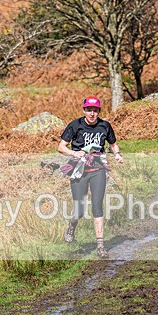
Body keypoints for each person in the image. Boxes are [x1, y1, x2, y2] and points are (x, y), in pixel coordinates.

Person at [57, 96, 124, 258]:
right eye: (89, 110)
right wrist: (74, 153)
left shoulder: (105, 125)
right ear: (84, 110)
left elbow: (113, 144)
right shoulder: (75, 125)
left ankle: (100, 245)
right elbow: (61, 147)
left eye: (95, 110)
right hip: (79, 170)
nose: (92, 114)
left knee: (97, 206)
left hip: (98, 170)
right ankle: (72, 225)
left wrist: (117, 154)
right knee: (79, 209)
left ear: (99, 111)